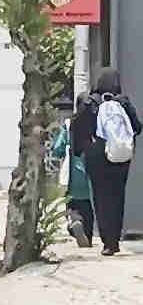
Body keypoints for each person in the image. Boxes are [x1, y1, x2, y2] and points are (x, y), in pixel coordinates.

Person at [72, 68, 142, 256]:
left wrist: (80, 151)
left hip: (96, 155)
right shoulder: (123, 103)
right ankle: (116, 238)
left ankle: (107, 242)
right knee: (117, 197)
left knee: (101, 198)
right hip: (120, 156)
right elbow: (137, 127)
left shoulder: (89, 102)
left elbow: (77, 128)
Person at [52, 97, 95, 247]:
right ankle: (88, 237)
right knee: (89, 208)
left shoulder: (69, 124)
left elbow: (57, 149)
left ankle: (75, 223)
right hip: (91, 173)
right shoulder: (95, 123)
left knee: (73, 206)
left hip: (73, 174)